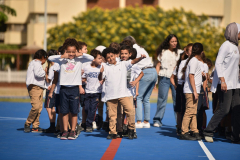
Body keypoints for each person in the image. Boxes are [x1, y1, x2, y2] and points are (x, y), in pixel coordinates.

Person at [48, 38, 93, 140]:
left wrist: (80, 54)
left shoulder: (79, 59)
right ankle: (64, 131)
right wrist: (62, 55)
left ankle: (72, 130)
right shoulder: (61, 60)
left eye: (73, 52)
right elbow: (50, 58)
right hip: (63, 89)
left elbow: (91, 58)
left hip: (74, 89)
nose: (71, 54)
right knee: (64, 111)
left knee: (74, 111)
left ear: (76, 51)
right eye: (69, 51)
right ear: (65, 50)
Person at [204, 22, 240, 144]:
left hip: (236, 84)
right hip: (225, 83)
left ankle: (235, 136)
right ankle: (208, 131)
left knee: (236, 109)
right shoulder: (226, 45)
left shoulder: (236, 46)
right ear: (234, 32)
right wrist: (222, 80)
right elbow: (218, 63)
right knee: (224, 109)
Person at [98, 47, 146, 139]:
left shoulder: (123, 64)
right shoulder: (105, 66)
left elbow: (133, 62)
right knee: (112, 115)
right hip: (111, 95)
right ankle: (112, 132)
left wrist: (141, 58)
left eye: (112, 56)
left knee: (130, 111)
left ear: (115, 56)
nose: (111, 58)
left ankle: (131, 130)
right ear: (105, 59)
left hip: (123, 93)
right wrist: (100, 73)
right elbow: (100, 79)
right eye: (108, 57)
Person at [122, 36, 157, 128]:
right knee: (147, 99)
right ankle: (146, 122)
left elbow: (132, 63)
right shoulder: (141, 48)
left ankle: (138, 121)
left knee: (138, 97)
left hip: (145, 72)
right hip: (153, 71)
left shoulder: (133, 50)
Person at [153, 34, 183, 127]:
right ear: (168, 42)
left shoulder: (180, 52)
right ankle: (157, 120)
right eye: (172, 41)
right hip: (164, 78)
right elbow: (158, 66)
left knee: (177, 100)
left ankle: (179, 122)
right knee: (162, 99)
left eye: (175, 41)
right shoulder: (162, 52)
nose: (174, 43)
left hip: (176, 79)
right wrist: (155, 80)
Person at [117, 45, 144, 138]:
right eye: (122, 54)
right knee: (120, 113)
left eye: (126, 54)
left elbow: (141, 73)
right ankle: (120, 130)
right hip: (120, 93)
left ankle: (132, 130)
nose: (123, 55)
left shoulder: (133, 65)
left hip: (129, 93)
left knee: (131, 113)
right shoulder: (118, 64)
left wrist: (136, 81)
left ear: (130, 54)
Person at [180, 43, 203, 140]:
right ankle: (184, 132)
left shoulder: (193, 60)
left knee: (193, 112)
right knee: (189, 112)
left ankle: (195, 130)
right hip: (191, 91)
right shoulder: (194, 61)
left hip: (192, 90)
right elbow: (191, 76)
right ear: (201, 52)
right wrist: (194, 91)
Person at [24, 49, 47, 133]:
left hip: (39, 87)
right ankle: (27, 123)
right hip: (34, 87)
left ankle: (35, 126)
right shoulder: (37, 63)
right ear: (43, 57)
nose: (45, 61)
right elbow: (38, 73)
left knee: (39, 108)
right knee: (36, 107)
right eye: (46, 59)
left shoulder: (34, 63)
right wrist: (45, 72)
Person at [82, 49, 103, 132]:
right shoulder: (87, 68)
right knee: (87, 109)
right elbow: (83, 78)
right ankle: (98, 118)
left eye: (101, 58)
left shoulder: (101, 67)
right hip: (87, 91)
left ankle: (89, 125)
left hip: (97, 92)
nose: (101, 60)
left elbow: (104, 78)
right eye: (99, 58)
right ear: (93, 59)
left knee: (93, 109)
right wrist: (83, 81)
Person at [170, 50, 188, 135]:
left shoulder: (188, 64)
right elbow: (172, 77)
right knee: (180, 109)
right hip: (181, 88)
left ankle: (183, 127)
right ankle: (179, 127)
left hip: (185, 88)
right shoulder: (179, 66)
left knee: (183, 109)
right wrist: (175, 85)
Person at [44, 49, 58, 133]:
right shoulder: (58, 65)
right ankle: (54, 125)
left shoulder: (52, 67)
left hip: (51, 89)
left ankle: (52, 125)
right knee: (53, 107)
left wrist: (46, 73)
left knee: (49, 107)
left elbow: (48, 80)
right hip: (57, 89)